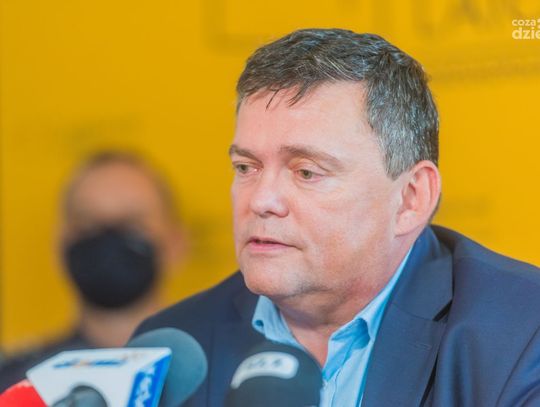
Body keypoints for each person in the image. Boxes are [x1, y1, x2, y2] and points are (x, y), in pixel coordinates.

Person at [135, 29, 540, 406]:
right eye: (246, 167)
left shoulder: (522, 332)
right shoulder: (170, 351)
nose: (261, 200)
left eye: (306, 172)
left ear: (410, 199)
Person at [0, 151, 185, 391]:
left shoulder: (223, 376)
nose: (109, 239)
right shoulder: (16, 384)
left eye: (133, 224)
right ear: (60, 245)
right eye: (87, 225)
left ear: (175, 243)